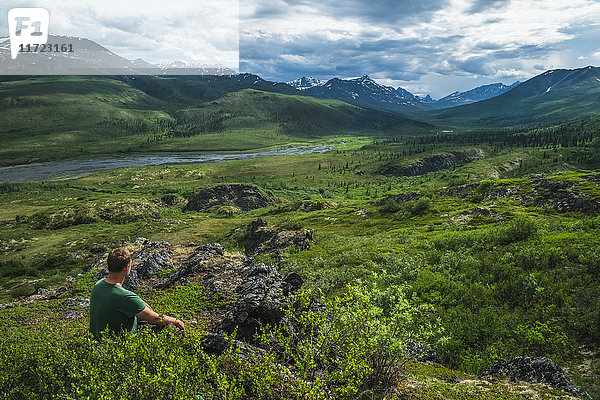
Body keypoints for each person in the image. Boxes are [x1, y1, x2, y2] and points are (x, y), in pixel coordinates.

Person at [89, 247, 185, 340]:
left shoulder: (98, 285)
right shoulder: (125, 297)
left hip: (95, 342)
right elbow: (155, 319)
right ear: (127, 267)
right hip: (118, 345)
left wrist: (137, 301)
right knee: (171, 329)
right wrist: (176, 321)